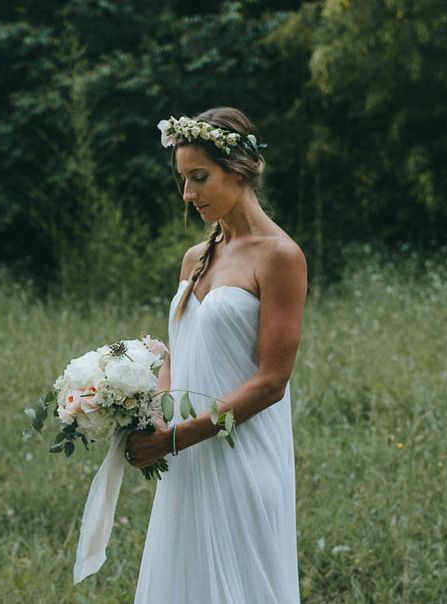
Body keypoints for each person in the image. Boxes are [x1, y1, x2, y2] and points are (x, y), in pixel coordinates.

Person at [125, 107, 307, 604]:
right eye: (183, 180)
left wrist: (177, 438)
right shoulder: (195, 257)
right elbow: (176, 356)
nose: (188, 195)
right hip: (187, 456)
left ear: (240, 168)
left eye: (199, 178)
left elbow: (272, 381)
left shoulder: (280, 257)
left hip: (241, 457)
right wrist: (151, 415)